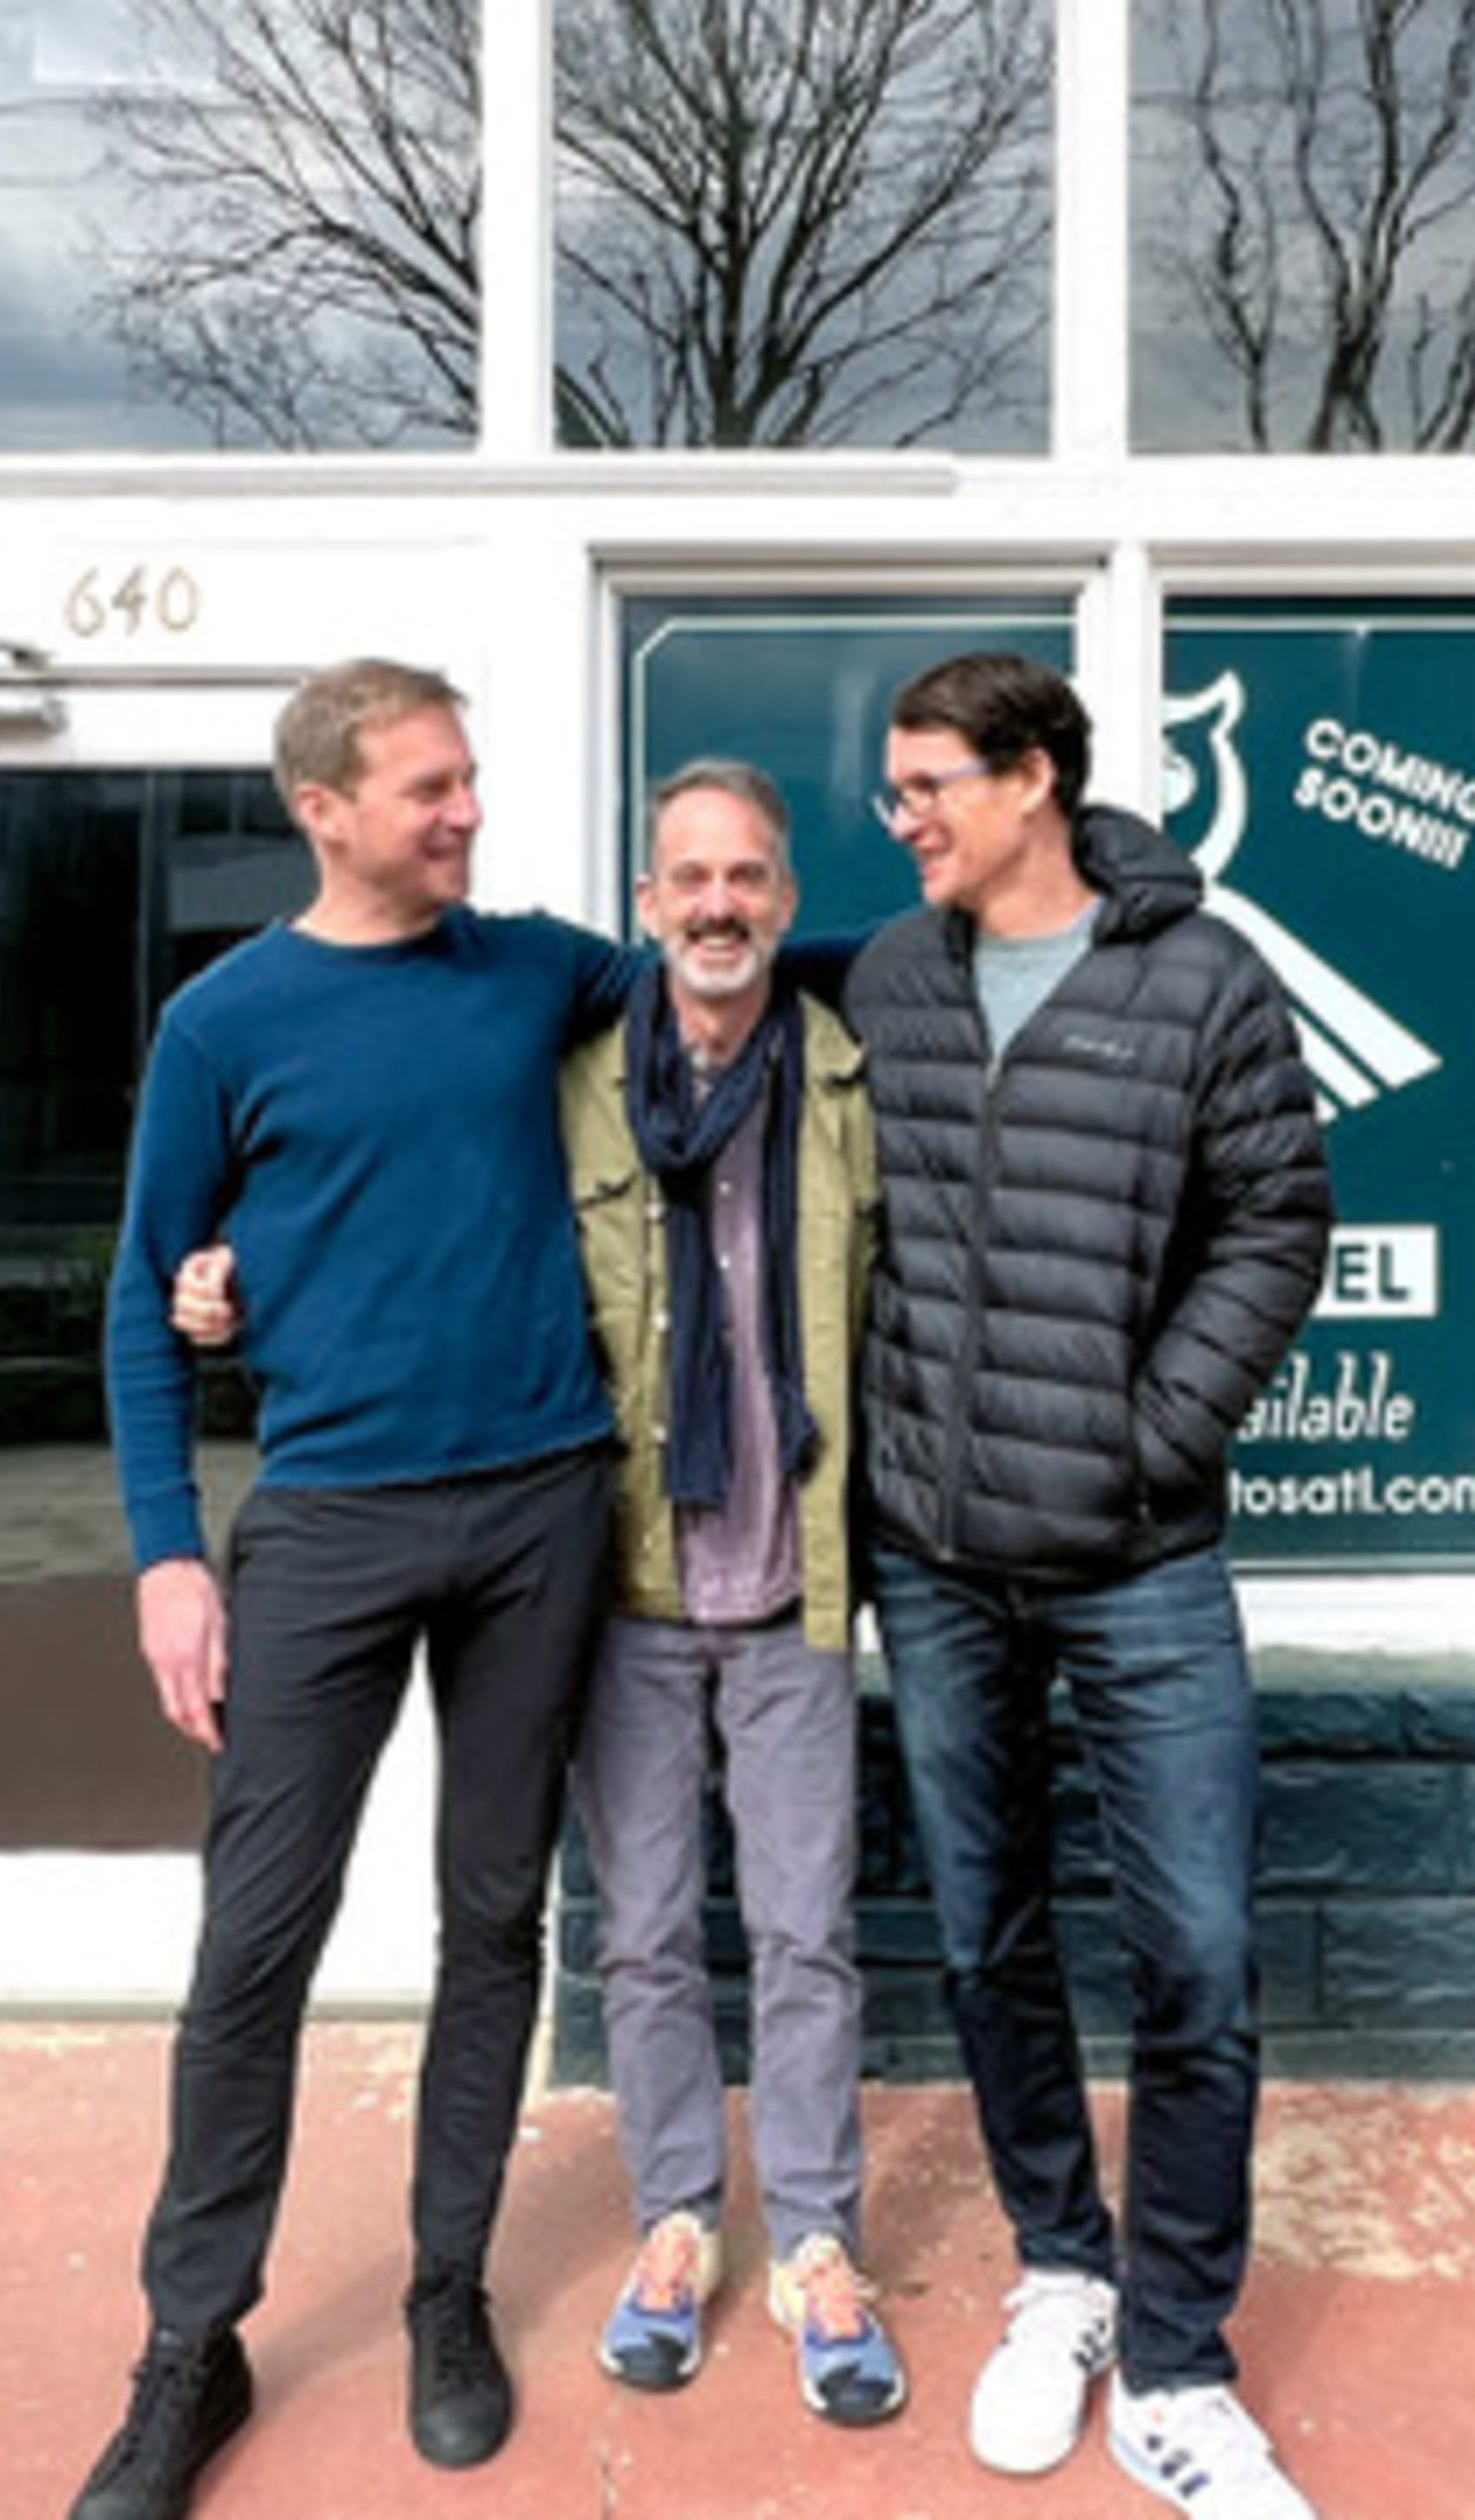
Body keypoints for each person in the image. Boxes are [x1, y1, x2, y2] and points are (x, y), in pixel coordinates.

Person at [73, 658, 633, 2520]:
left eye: (469, 779)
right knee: (256, 1943)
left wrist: (1020, 887)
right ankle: (188, 2343)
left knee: (492, 1922)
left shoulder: (536, 969)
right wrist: (165, 1550)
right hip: (327, 1521)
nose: (466, 813)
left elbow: (744, 966)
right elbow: (147, 1301)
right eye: (429, 790)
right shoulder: (226, 1022)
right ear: (325, 811)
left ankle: (447, 2291)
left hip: (545, 1506)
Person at [844, 652, 1334, 2518]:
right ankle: (1065, 2269)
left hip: (1141, 1557)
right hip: (942, 1560)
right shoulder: (893, 977)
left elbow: (1281, 1215)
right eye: (896, 793)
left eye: (930, 788)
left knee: (1198, 1957)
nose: (905, 823)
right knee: (986, 1935)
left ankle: (1181, 2369)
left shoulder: (1196, 978)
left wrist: (1156, 1430)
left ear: (1033, 778)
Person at [559, 761, 902, 2426]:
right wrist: (235, 1269)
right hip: (622, 1586)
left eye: (747, 878)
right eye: (688, 877)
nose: (716, 905)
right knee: (638, 1940)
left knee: (804, 1938)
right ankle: (679, 2222)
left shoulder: (844, 1081)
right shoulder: (566, 1090)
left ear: (785, 898)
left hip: (792, 1586)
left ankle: (821, 2238)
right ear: (646, 902)